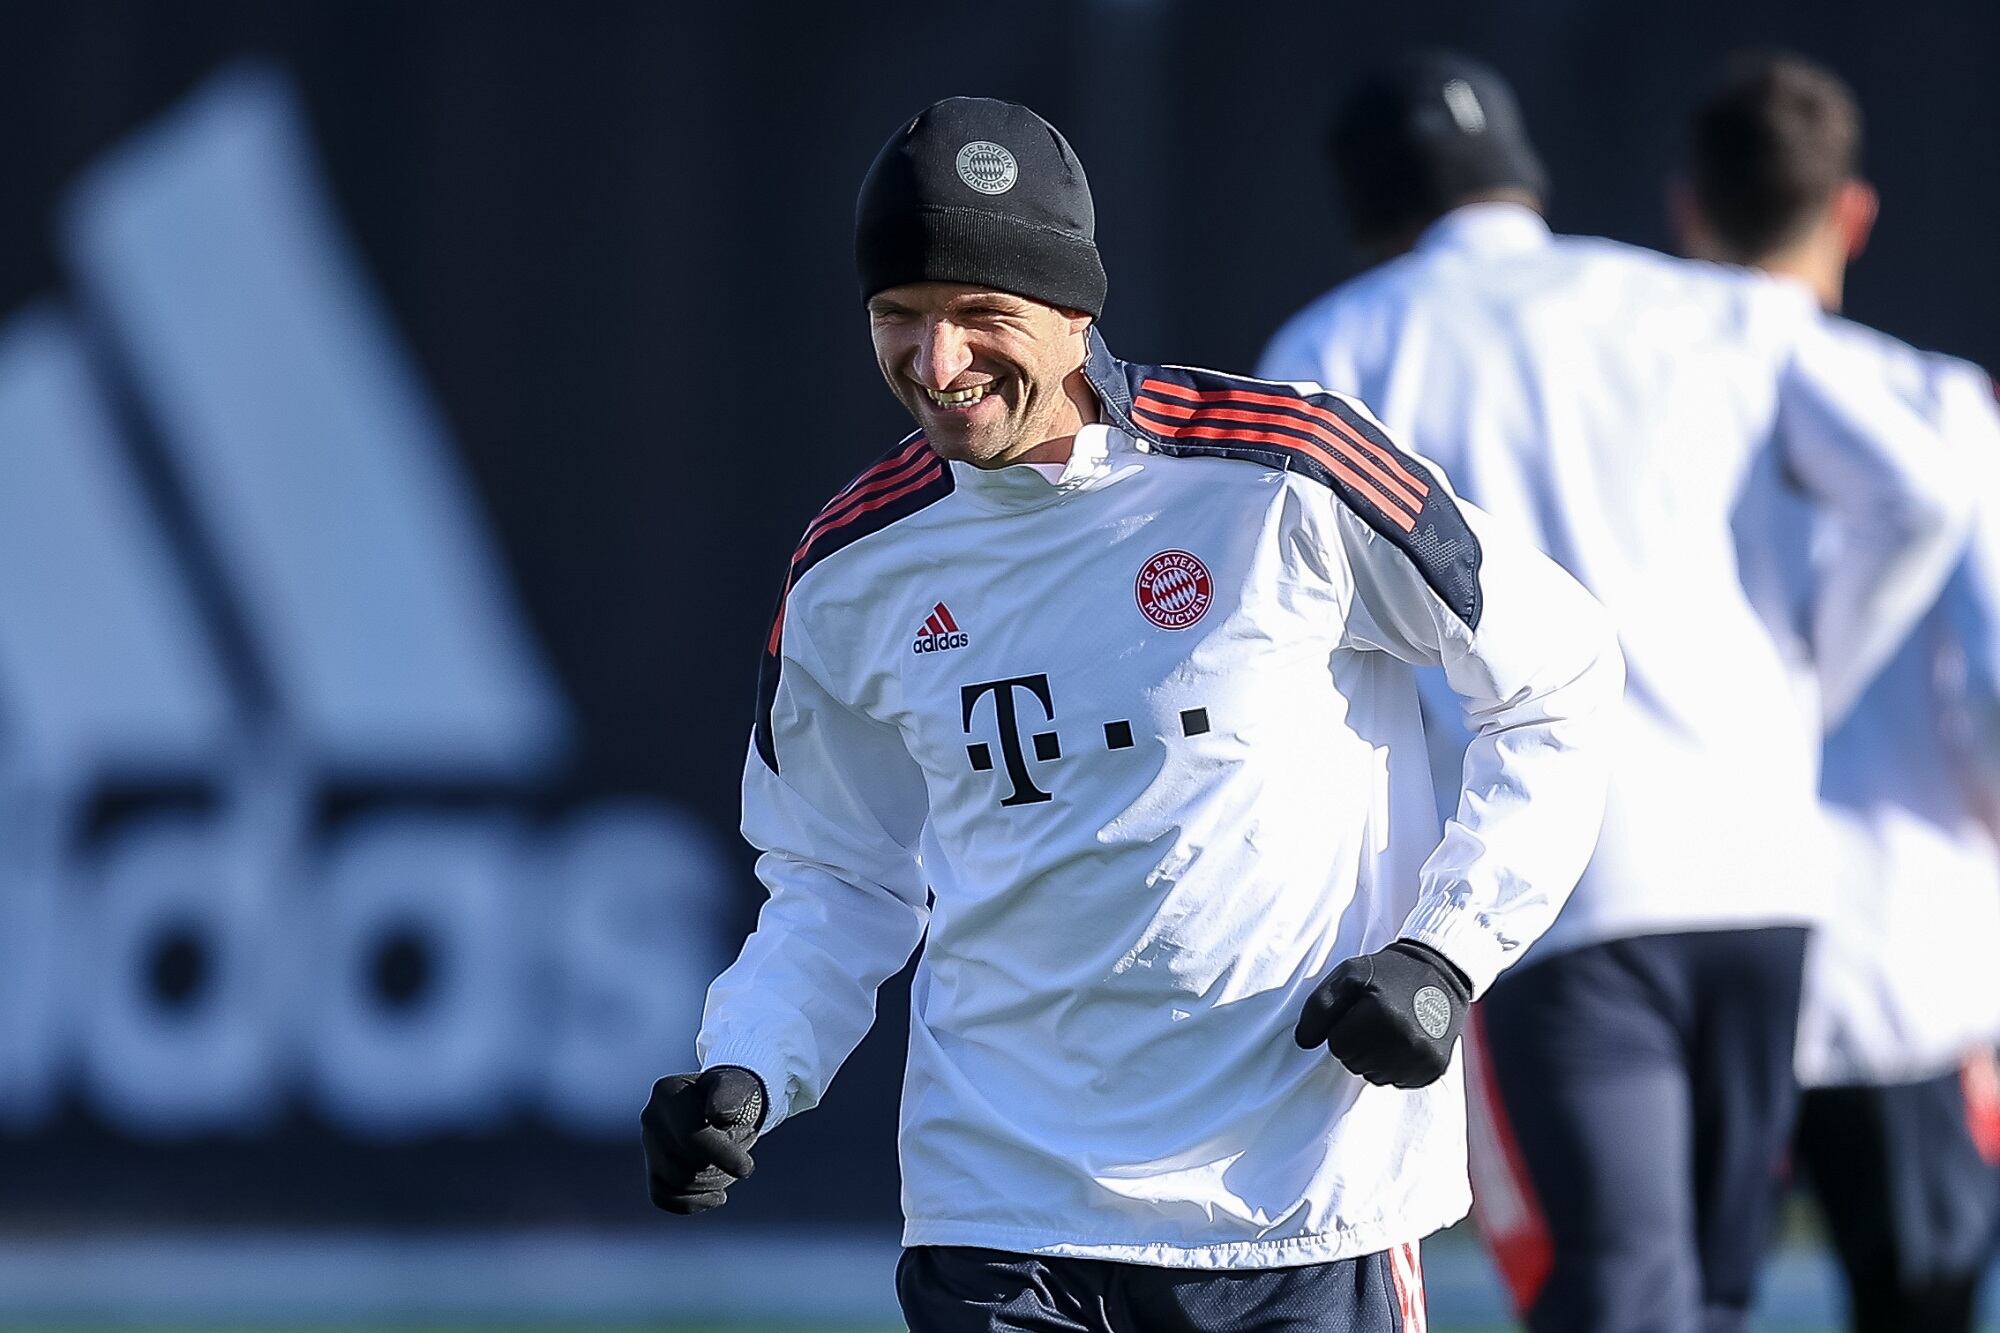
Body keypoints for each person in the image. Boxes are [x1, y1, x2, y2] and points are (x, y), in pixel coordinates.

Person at [640, 96, 1623, 1333]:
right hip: (999, 1221)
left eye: (979, 312)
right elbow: (835, 876)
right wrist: (747, 1064)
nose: (935, 363)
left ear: (1073, 311)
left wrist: (1443, 952)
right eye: (898, 315)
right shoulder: (848, 569)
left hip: (1298, 1210)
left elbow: (1558, 679)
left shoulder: (1285, 470)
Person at [1258, 52, 1973, 1333]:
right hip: (1762, 868)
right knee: (1705, 1294)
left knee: (1621, 1295)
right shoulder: (1700, 304)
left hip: (1559, 886)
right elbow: (1917, 489)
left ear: (1366, 202)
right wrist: (1806, 675)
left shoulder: (1339, 344)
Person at [1677, 51, 2000, 1333]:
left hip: (1688, 945)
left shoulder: (1637, 408)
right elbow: (1990, 687)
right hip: (1893, 965)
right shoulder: (1934, 403)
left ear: (1687, 211)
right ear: (1850, 213)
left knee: (1672, 1303)